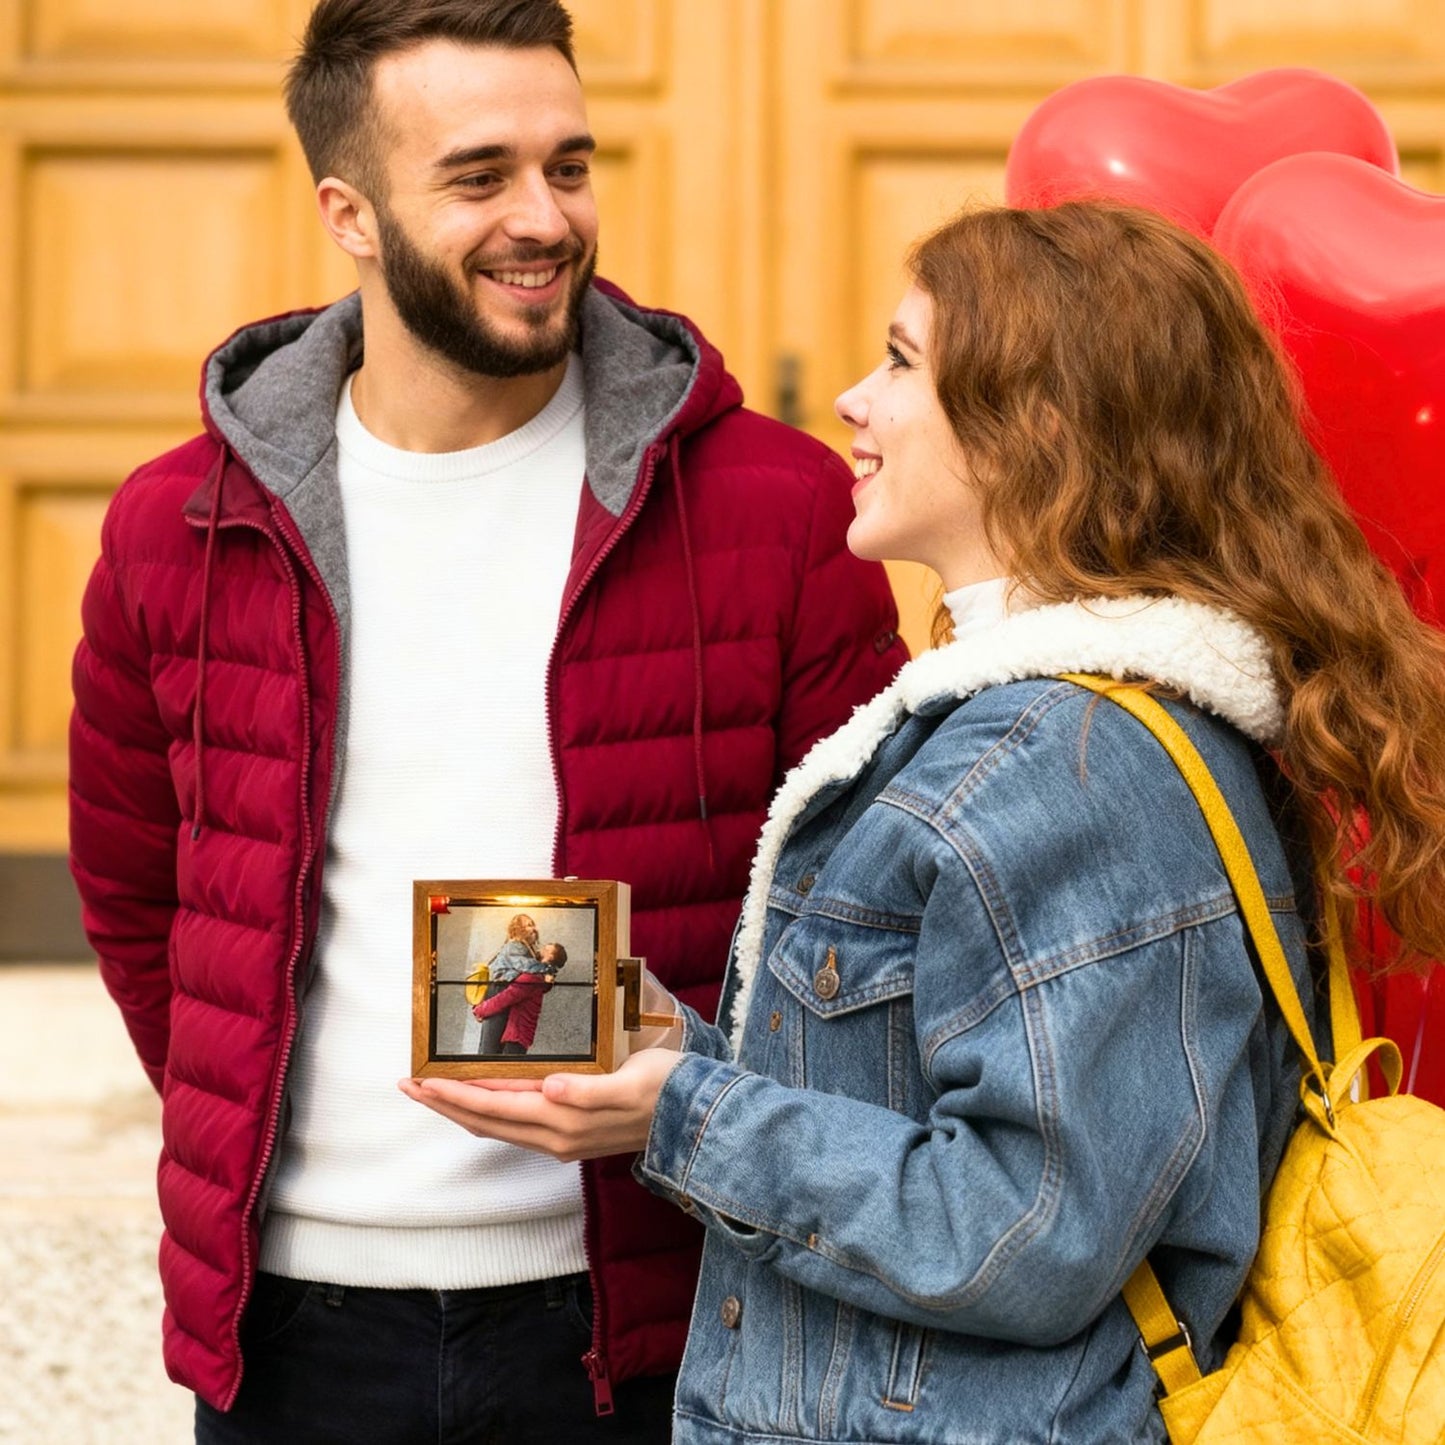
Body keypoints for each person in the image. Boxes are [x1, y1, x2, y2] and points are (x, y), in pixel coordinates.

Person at [402, 200, 1445, 1443]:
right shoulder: (1022, 727)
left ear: (1033, 430)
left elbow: (1018, 1228)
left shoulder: (1064, 764)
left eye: (900, 362)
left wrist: (677, 1113)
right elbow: (902, 1092)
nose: (850, 398)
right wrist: (653, 1042)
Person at [66, 0, 904, 1439]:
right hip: (290, 1333)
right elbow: (140, 899)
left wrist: (701, 1105)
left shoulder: (777, 508)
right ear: (351, 212)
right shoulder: (181, 526)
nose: (545, 217)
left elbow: (876, 905)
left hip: (655, 1316)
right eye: (478, 176)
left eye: (567, 165)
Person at [475, 943, 569, 1056]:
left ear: (550, 956)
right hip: (519, 1035)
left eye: (546, 948)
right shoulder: (541, 977)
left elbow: (506, 998)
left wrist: (479, 1010)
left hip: (516, 1036)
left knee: (504, 1070)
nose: (541, 948)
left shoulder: (533, 977)